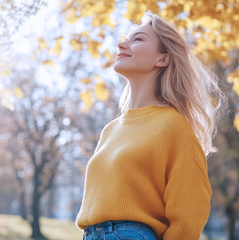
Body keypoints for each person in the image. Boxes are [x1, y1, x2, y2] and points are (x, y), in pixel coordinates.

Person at [76, 12, 224, 240]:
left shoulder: (174, 127)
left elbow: (187, 220)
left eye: (138, 39)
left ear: (162, 59)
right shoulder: (110, 130)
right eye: (127, 38)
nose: (121, 44)